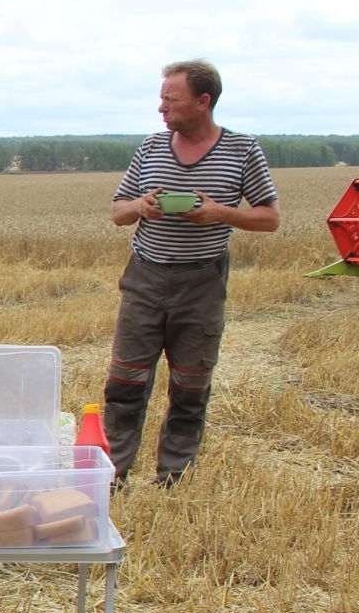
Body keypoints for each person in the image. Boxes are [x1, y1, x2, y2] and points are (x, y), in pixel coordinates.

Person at [104, 59, 279, 486]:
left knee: (190, 389)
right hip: (144, 278)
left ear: (204, 101)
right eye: (162, 98)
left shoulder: (242, 150)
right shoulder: (150, 147)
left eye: (171, 99)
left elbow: (270, 218)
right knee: (125, 384)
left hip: (202, 284)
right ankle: (111, 477)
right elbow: (117, 212)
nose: (161, 108)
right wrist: (140, 206)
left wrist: (217, 213)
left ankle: (174, 480)